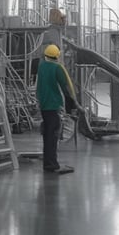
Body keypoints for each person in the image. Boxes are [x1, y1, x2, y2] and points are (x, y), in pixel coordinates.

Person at [35, 44, 76, 174]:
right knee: (53, 136)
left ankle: (47, 163)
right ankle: (53, 164)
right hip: (54, 106)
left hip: (44, 106)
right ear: (57, 56)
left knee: (47, 135)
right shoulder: (58, 68)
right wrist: (74, 106)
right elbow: (66, 88)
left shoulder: (41, 67)